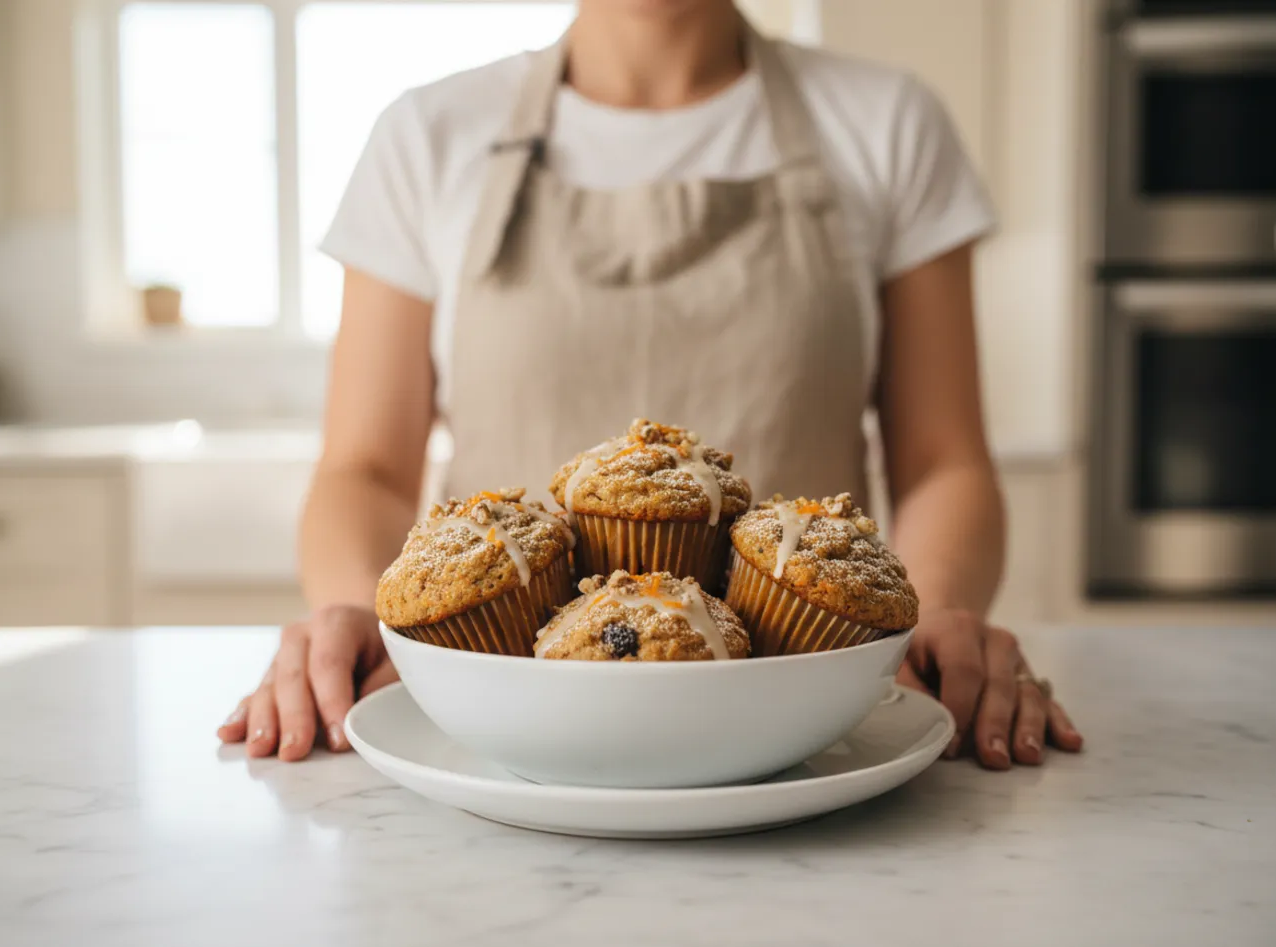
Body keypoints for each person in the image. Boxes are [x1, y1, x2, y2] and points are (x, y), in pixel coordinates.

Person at [218, 0, 1083, 769]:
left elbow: (943, 459)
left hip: (805, 736)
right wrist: (347, 609)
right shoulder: (427, 134)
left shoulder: (888, 121)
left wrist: (942, 612)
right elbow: (364, 466)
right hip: (501, 735)